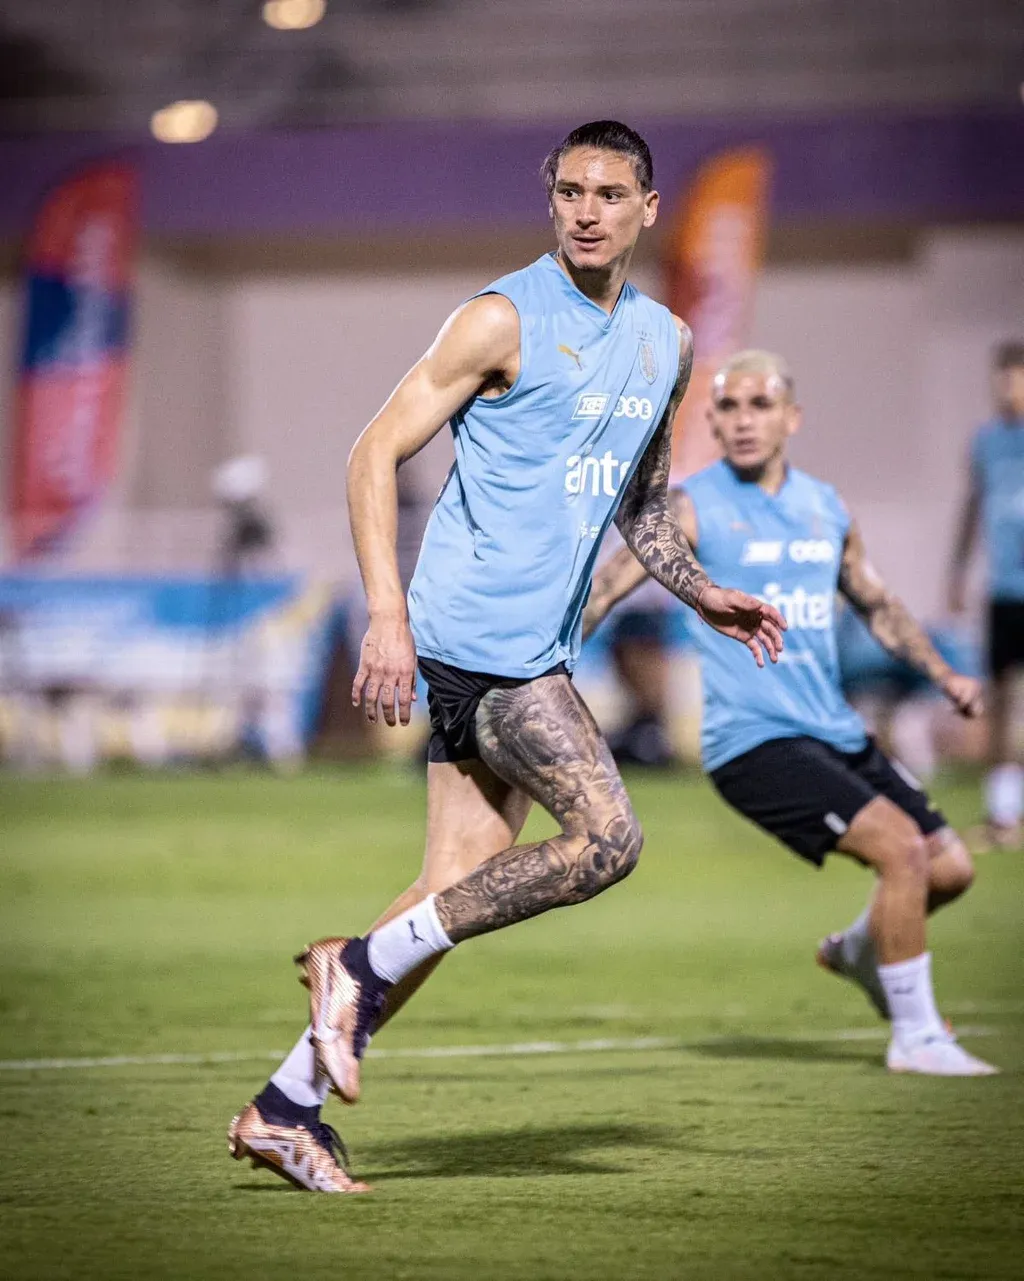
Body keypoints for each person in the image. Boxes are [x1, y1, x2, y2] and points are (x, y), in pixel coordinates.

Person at [227, 121, 786, 1193]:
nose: (587, 211)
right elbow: (372, 451)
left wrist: (699, 588)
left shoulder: (666, 344)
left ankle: (285, 1109)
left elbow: (641, 503)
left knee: (447, 893)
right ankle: (353, 965)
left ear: (647, 209)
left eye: (609, 194)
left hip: (535, 645)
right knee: (608, 840)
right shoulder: (500, 318)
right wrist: (385, 615)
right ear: (552, 202)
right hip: (480, 644)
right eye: (570, 191)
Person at [584, 349, 998, 1078]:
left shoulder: (825, 506)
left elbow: (877, 602)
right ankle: (917, 1036)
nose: (744, 420)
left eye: (761, 404)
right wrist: (538, 667)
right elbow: (609, 585)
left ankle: (860, 950)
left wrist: (942, 674)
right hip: (753, 742)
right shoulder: (690, 507)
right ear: (713, 422)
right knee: (902, 850)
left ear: (792, 418)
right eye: (729, 406)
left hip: (834, 730)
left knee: (952, 868)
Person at [948, 340, 1024, 847]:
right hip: (1004, 590)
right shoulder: (987, 441)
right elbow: (973, 506)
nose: (1008, 389)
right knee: (1001, 699)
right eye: (1003, 379)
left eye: (1016, 378)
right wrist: (956, 572)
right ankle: (1003, 812)